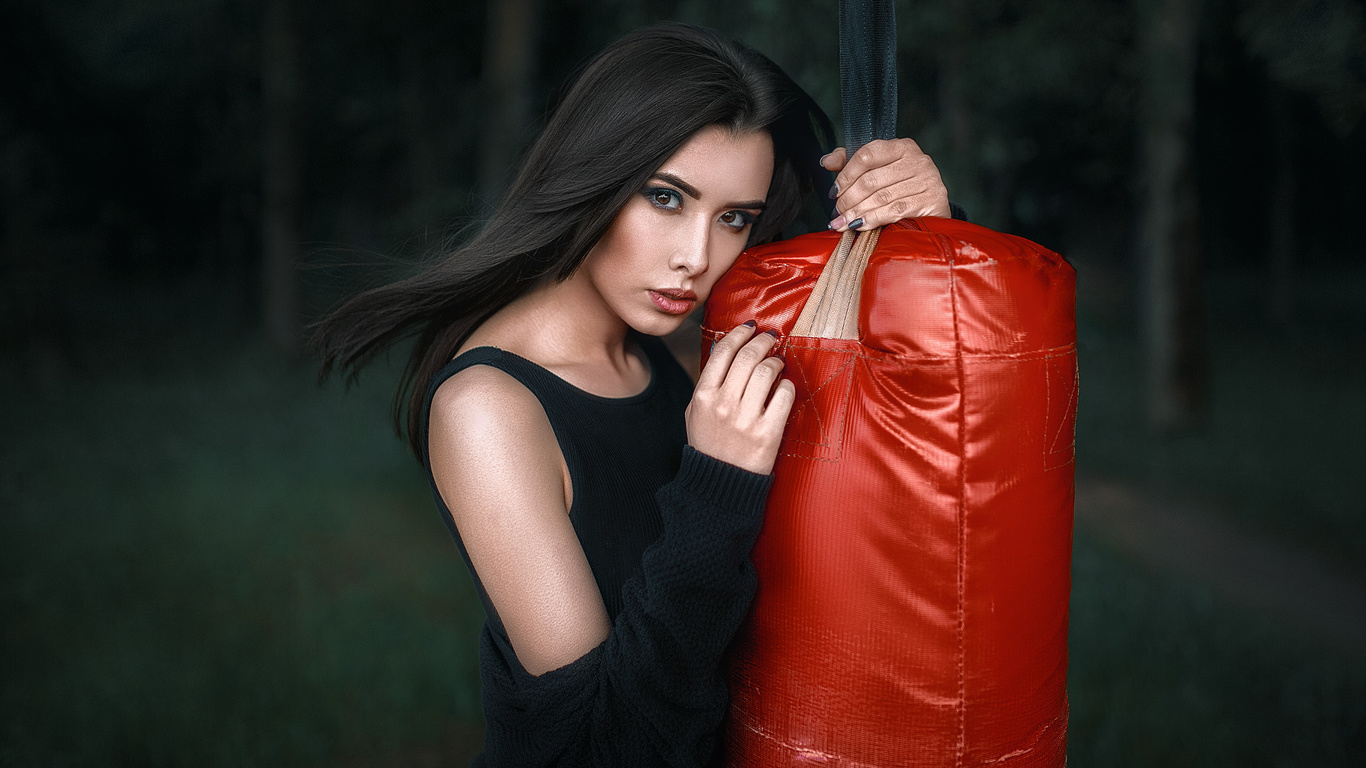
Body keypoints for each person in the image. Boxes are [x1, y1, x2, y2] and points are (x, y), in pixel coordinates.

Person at [314, 23, 953, 767]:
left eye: (734, 218)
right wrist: (716, 484)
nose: (696, 258)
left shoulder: (687, 335)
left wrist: (920, 224)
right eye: (665, 197)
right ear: (596, 175)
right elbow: (606, 749)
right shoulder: (489, 410)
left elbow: (893, 398)